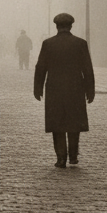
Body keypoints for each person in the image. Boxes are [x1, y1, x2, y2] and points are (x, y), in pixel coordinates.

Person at [34, 13, 95, 168]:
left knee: (57, 123)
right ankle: (73, 156)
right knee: (74, 122)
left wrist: (38, 88)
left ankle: (61, 158)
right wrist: (90, 90)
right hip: (75, 87)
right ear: (71, 26)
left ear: (56, 26)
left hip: (55, 88)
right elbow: (87, 68)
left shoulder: (48, 44)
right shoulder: (80, 43)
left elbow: (40, 67)